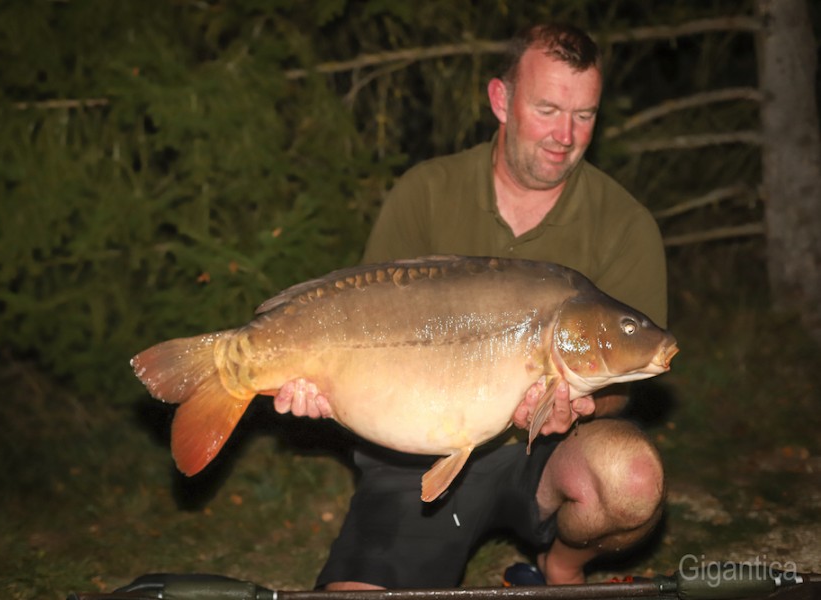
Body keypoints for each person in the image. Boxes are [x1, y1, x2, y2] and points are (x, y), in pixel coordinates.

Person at [274, 23, 668, 590]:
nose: (565, 135)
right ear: (501, 100)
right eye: (549, 108)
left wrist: (584, 406)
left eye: (585, 115)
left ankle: (561, 566)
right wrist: (321, 386)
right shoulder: (426, 192)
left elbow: (624, 385)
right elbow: (359, 332)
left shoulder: (625, 224)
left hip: (551, 451)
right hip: (419, 455)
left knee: (630, 478)